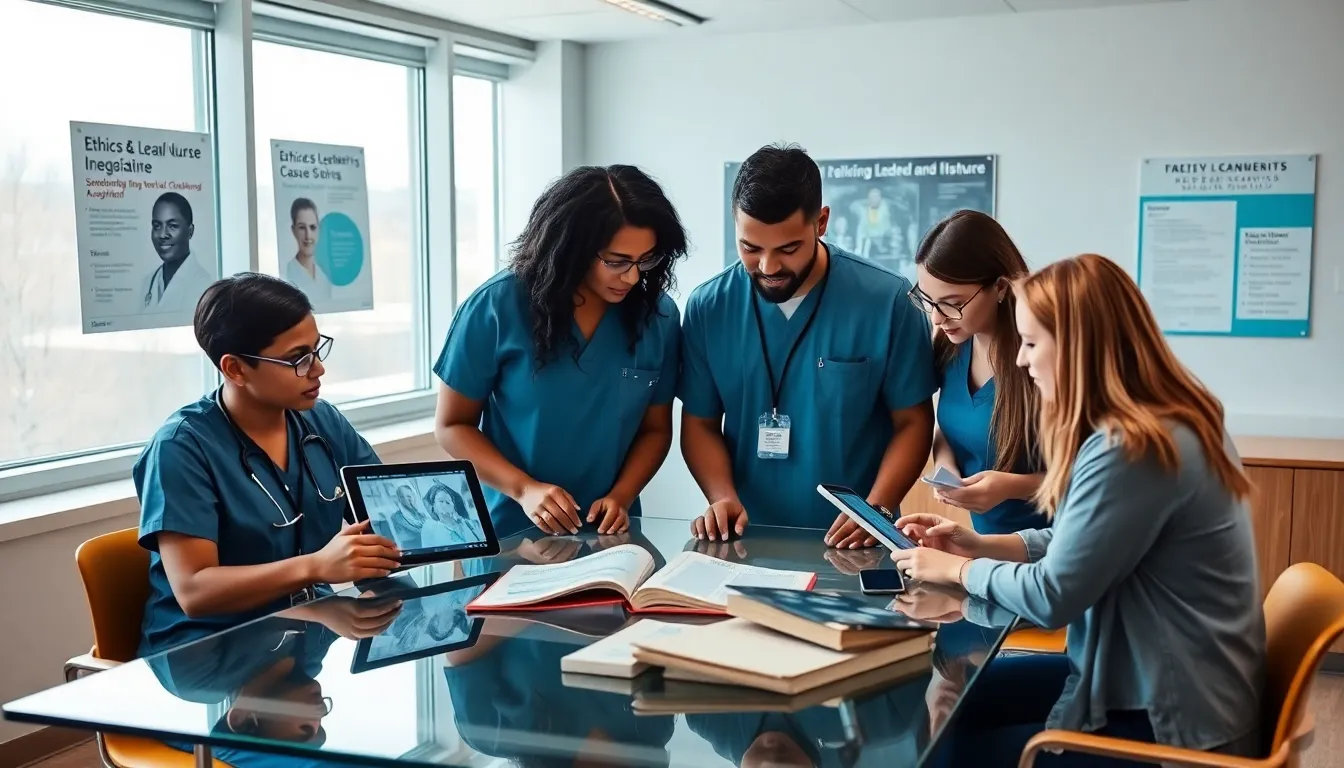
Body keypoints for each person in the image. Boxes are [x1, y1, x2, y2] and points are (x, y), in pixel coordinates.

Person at [892, 254, 1265, 766]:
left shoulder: (1131, 448)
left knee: (944, 744)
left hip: (1167, 718)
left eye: (1029, 344)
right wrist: (974, 544)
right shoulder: (1166, 421)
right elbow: (1082, 541)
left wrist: (958, 569)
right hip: (1149, 678)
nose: (1020, 362)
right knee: (949, 699)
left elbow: (1053, 596)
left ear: (1076, 347)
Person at [679, 143, 935, 545]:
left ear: (821, 222)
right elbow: (699, 424)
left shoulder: (888, 301)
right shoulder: (709, 307)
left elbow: (914, 421)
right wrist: (721, 496)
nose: (768, 267)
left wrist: (878, 509)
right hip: (745, 541)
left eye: (788, 248)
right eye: (750, 248)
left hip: (856, 543)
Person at [135, 273, 401, 657]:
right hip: (208, 651)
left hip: (308, 634)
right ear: (235, 369)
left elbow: (387, 515)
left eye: (316, 350)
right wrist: (315, 567)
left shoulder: (322, 422)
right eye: (297, 359)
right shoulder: (182, 448)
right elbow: (195, 591)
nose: (317, 370)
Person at [434, 165, 687, 538]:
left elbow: (654, 429)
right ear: (571, 249)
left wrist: (622, 494)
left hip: (610, 537)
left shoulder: (659, 316)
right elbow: (452, 426)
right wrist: (524, 489)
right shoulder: (496, 307)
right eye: (616, 262)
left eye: (645, 260)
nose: (633, 277)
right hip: (511, 532)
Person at [909, 210, 1047, 535]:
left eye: (952, 303)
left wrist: (1011, 487)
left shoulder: (1043, 360)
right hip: (988, 550)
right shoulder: (950, 347)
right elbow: (949, 428)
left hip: (1053, 550)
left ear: (999, 287)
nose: (938, 319)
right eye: (928, 301)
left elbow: (1094, 478)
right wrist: (944, 466)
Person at [141, 192, 215, 312]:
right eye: (157, 226)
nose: (163, 234)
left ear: (190, 231)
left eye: (173, 226)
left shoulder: (205, 284)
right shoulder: (146, 283)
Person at [284, 198, 333, 302]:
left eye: (312, 227)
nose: (308, 235)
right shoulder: (286, 273)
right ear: (293, 230)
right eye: (302, 227)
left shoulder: (324, 277)